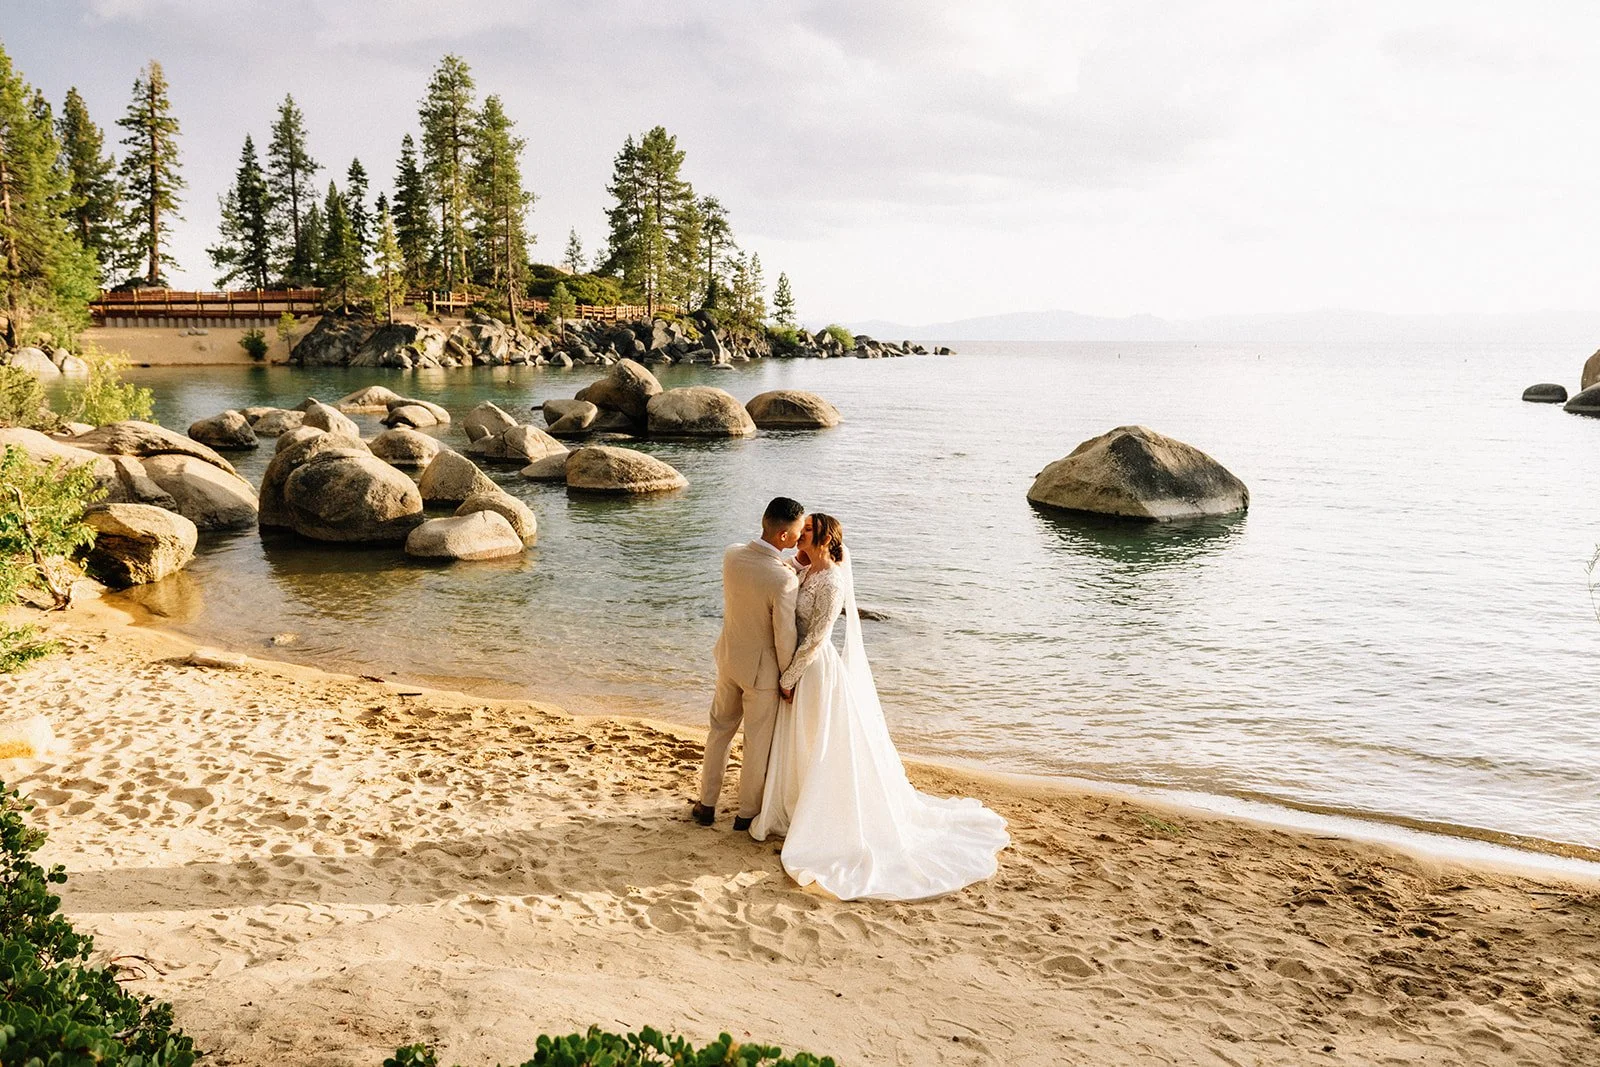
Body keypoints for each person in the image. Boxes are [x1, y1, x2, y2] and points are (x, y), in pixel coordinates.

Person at [750, 513, 1010, 901]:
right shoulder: (806, 570)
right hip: (798, 666)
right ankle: (794, 804)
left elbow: (819, 637)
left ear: (823, 539)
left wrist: (788, 677)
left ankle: (821, 815)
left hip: (814, 669)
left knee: (817, 742)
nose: (800, 537)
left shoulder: (832, 580)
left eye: (806, 532)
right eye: (800, 531)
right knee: (801, 741)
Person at [692, 497, 804, 830]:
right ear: (784, 537)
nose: (799, 538)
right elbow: (784, 638)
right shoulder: (783, 580)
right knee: (755, 743)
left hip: (728, 659)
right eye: (797, 532)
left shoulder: (732, 555)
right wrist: (789, 679)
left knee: (719, 732)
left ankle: (707, 804)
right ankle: (746, 814)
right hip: (761, 674)